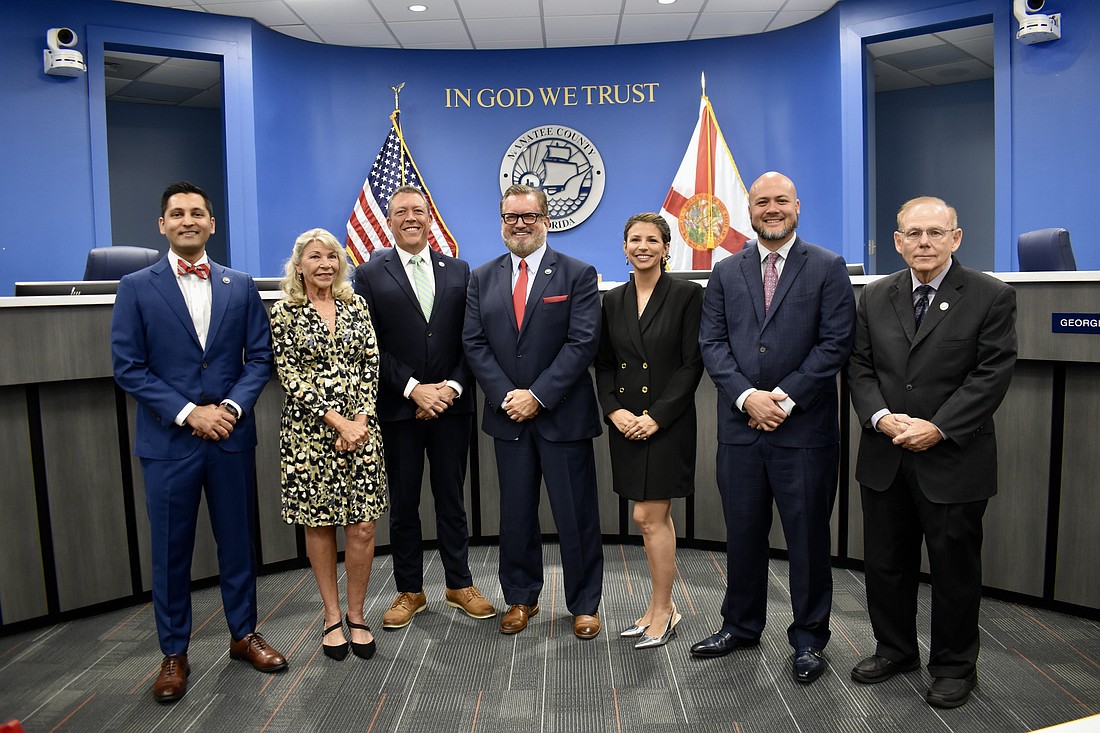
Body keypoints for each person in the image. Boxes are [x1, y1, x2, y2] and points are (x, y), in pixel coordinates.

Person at [111, 181, 287, 703]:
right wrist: (192, 414)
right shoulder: (136, 287)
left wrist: (229, 409)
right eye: (177, 214)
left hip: (230, 437)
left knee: (238, 541)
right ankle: (174, 652)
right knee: (171, 552)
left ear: (212, 223)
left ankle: (243, 635)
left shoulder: (241, 285)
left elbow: (259, 358)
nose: (188, 220)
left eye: (197, 213)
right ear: (162, 225)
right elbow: (129, 368)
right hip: (169, 443)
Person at [847, 196, 1016, 709]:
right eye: (913, 233)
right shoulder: (875, 296)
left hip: (953, 460)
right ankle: (895, 649)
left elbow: (991, 374)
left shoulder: (990, 295)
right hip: (885, 454)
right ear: (897, 242)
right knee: (886, 563)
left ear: (955, 238)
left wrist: (938, 428)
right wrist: (879, 417)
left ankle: (954, 665)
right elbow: (859, 366)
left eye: (935, 233)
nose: (924, 242)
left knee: (953, 570)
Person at [694, 171, 855, 684]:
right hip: (740, 429)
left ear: (797, 206)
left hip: (803, 432)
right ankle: (740, 625)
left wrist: (781, 400)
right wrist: (747, 397)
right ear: (749, 209)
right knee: (742, 534)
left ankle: (809, 639)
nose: (771, 209)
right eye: (761, 201)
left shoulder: (827, 267)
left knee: (807, 540)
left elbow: (835, 344)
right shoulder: (724, 270)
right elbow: (712, 343)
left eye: (780, 200)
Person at [462, 184, 604, 639]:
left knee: (575, 515)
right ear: (501, 221)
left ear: (547, 220)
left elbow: (582, 343)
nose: (519, 224)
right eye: (510, 217)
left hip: (563, 416)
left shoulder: (578, 275)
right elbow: (474, 343)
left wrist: (537, 396)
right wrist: (509, 395)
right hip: (509, 418)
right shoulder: (481, 277)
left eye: (528, 216)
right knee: (516, 514)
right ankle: (520, 598)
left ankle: (584, 605)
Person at [352, 187, 495, 629]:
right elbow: (368, 344)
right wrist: (414, 390)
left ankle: (459, 583)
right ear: (389, 221)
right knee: (405, 504)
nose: (410, 218)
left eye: (419, 211)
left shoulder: (459, 270)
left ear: (430, 219)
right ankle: (409, 590)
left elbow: (470, 338)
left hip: (451, 408)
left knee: (452, 499)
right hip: (399, 409)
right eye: (401, 212)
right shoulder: (369, 274)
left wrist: (449, 388)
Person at [270, 228, 388, 662]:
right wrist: (336, 420)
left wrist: (358, 422)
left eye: (332, 257)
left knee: (362, 526)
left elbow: (371, 363)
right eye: (315, 257)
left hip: (361, 430)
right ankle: (331, 615)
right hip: (310, 435)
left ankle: (357, 614)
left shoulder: (355, 305)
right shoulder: (283, 312)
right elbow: (290, 375)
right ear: (298, 265)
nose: (325, 264)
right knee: (319, 525)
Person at [595, 213, 704, 649]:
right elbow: (603, 364)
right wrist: (613, 411)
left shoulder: (687, 295)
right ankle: (657, 606)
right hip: (626, 424)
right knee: (648, 519)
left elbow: (692, 365)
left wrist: (656, 416)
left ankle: (664, 609)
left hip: (665, 423)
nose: (643, 246)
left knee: (649, 516)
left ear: (665, 247)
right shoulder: (613, 300)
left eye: (652, 240)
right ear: (624, 247)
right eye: (635, 240)